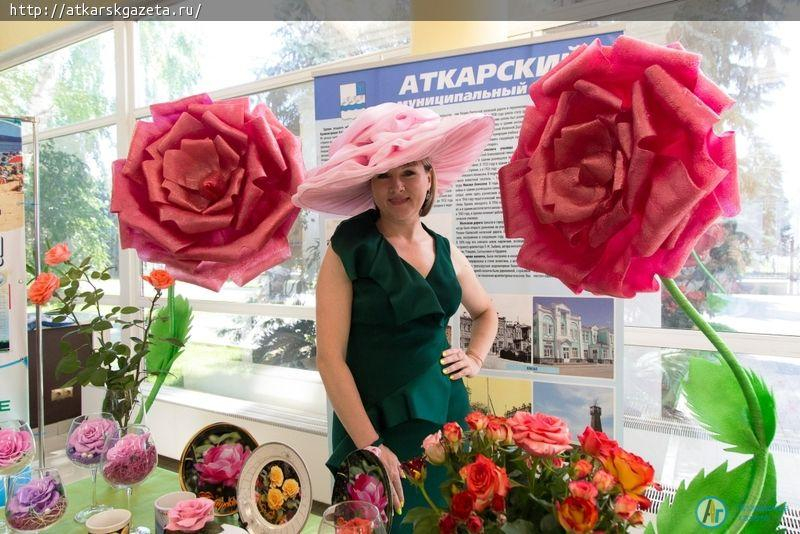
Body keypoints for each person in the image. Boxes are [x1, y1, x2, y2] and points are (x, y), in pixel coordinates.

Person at [293, 103, 498, 533]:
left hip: (446, 420)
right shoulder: (348, 248)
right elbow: (330, 359)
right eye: (382, 175)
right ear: (369, 184)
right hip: (370, 423)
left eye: (408, 172)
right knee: (379, 522)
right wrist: (371, 446)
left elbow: (486, 312)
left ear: (429, 177)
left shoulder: (448, 252)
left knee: (446, 520)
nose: (396, 186)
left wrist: (475, 358)